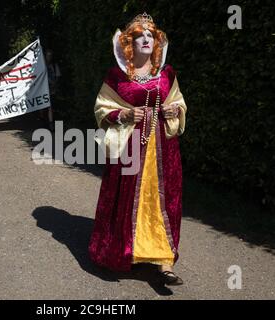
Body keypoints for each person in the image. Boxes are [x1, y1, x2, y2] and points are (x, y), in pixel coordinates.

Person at [89, 12, 187, 286]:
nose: (146, 39)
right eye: (140, 35)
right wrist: (125, 115)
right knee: (127, 198)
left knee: (164, 201)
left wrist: (173, 110)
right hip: (129, 148)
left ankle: (164, 261)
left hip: (163, 151)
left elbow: (180, 102)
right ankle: (126, 251)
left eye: (151, 36)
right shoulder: (116, 76)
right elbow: (101, 109)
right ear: (128, 43)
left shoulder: (166, 74)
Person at [44, 49, 61, 131]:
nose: (49, 57)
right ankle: (45, 121)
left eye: (50, 56)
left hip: (52, 89)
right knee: (45, 106)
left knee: (50, 106)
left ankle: (51, 124)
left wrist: (54, 84)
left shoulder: (54, 66)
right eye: (48, 55)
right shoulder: (42, 65)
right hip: (43, 89)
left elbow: (58, 77)